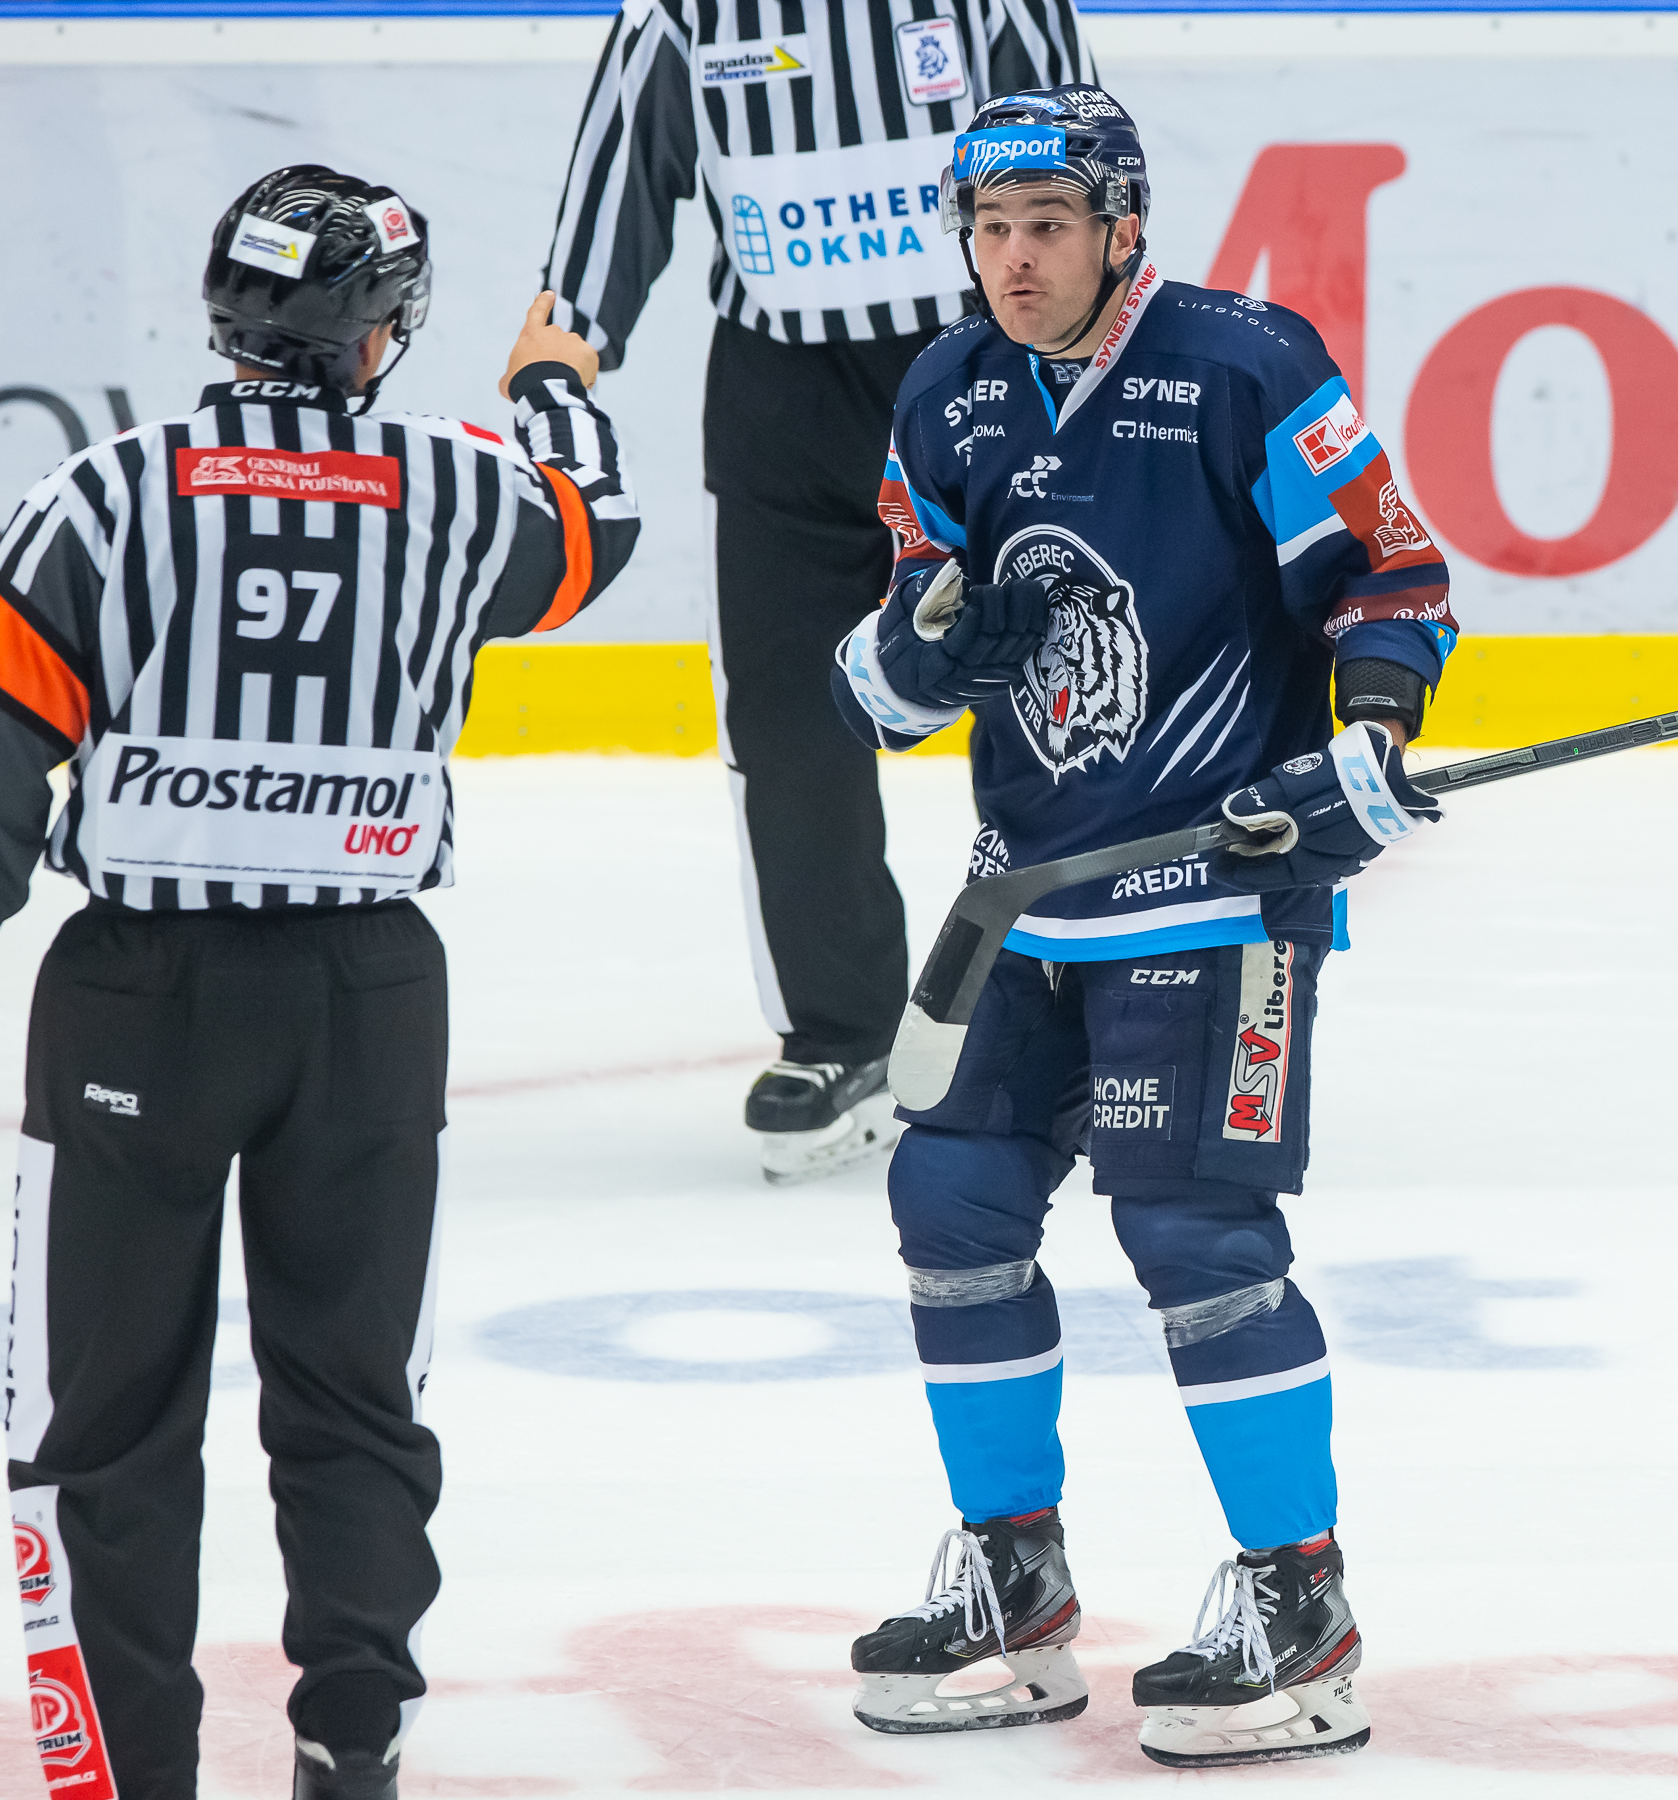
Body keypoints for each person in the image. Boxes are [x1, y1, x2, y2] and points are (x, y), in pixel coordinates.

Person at [0, 164, 634, 1800]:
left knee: (97, 1422)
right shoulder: (459, 490)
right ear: (378, 337)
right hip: (368, 1001)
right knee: (357, 1405)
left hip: (135, 998)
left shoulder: (104, 496)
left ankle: (120, 1777)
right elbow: (599, 533)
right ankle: (350, 1753)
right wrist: (557, 382)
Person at [828, 89, 1458, 1767]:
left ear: (1120, 227)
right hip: (1023, 896)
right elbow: (888, 672)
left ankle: (1299, 1601)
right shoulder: (949, 390)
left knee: (1195, 1236)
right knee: (951, 1204)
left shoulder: (1245, 363)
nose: (1013, 260)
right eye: (988, 229)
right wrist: (927, 652)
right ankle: (1014, 1580)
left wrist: (1366, 739)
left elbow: (1391, 575)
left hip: (1217, 887)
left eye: (1045, 225)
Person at [542, 0, 1095, 1183]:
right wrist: (569, 334)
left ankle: (1106, 1001)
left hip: (983, 366)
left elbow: (1084, 158)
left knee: (1065, 690)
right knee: (789, 718)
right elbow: (625, 172)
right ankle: (841, 1032)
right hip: (778, 396)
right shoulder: (681, 15)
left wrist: (1106, 345)